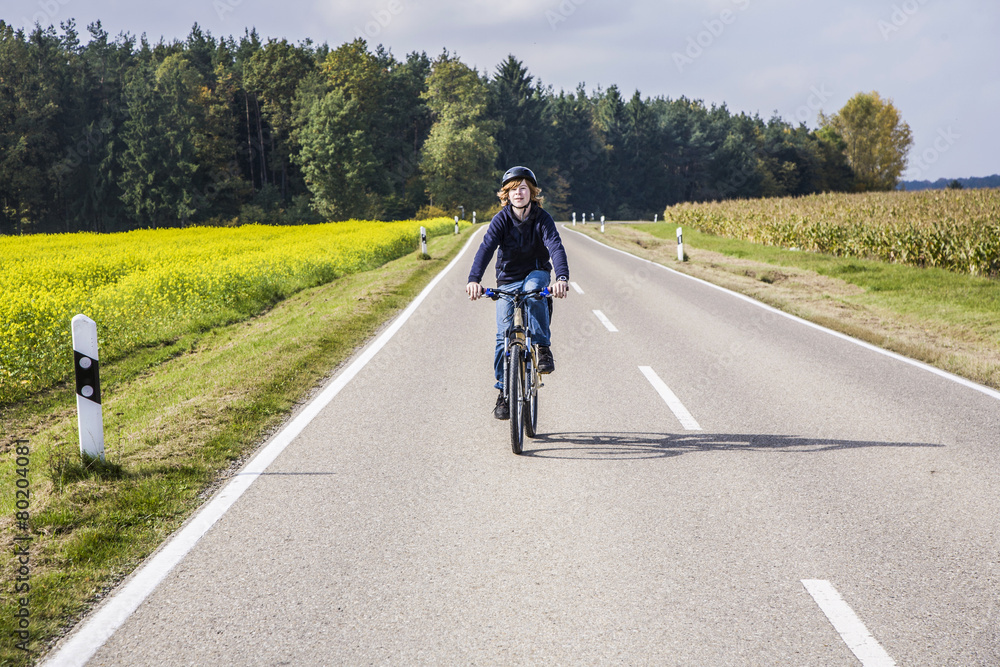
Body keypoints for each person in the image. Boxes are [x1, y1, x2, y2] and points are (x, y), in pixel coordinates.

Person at [466, 166, 570, 420]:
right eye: (513, 189)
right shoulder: (501, 219)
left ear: (532, 192)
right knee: (503, 338)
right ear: (506, 195)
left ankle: (543, 348)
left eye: (523, 188)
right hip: (508, 279)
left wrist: (562, 277)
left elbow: (555, 245)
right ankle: (503, 392)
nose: (518, 193)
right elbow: (486, 248)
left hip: (536, 272)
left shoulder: (542, 218)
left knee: (534, 291)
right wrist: (474, 279)